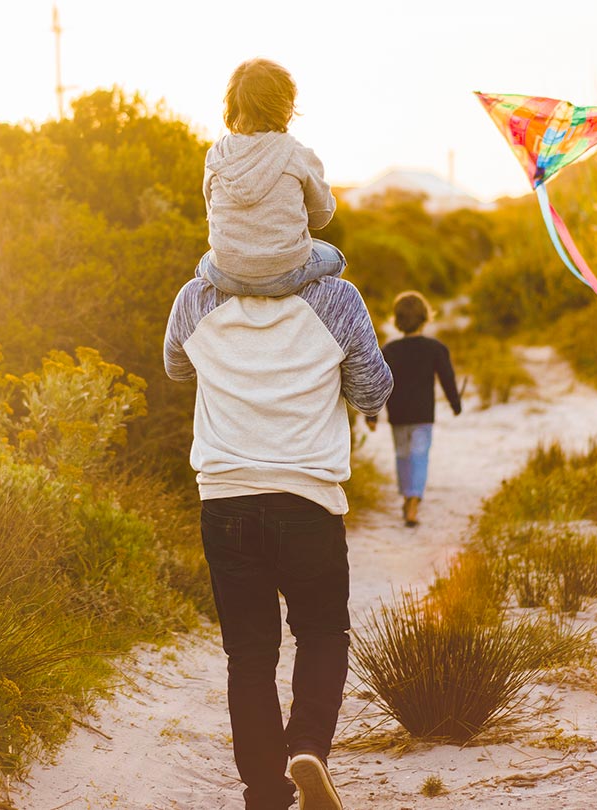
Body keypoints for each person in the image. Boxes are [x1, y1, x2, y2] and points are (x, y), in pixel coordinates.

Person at [164, 205, 392, 808]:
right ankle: (308, 747)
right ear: (301, 219)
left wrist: (235, 367)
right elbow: (373, 390)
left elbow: (175, 367)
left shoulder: (195, 298)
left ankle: (264, 791)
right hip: (307, 499)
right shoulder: (338, 300)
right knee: (321, 633)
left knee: (249, 654)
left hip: (226, 500)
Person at [193, 58, 347, 297]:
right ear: (285, 105)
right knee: (336, 258)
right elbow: (321, 217)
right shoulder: (297, 153)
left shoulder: (217, 154)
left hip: (225, 275)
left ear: (232, 104)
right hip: (284, 276)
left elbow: (211, 213)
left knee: (205, 262)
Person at [365, 291, 461, 527]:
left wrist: (372, 414)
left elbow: (377, 382)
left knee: (402, 455)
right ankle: (414, 502)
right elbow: (447, 378)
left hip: (397, 414)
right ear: (425, 317)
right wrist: (455, 404)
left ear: (397, 320)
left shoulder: (389, 350)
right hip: (422, 414)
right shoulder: (435, 348)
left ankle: (407, 496)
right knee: (419, 456)